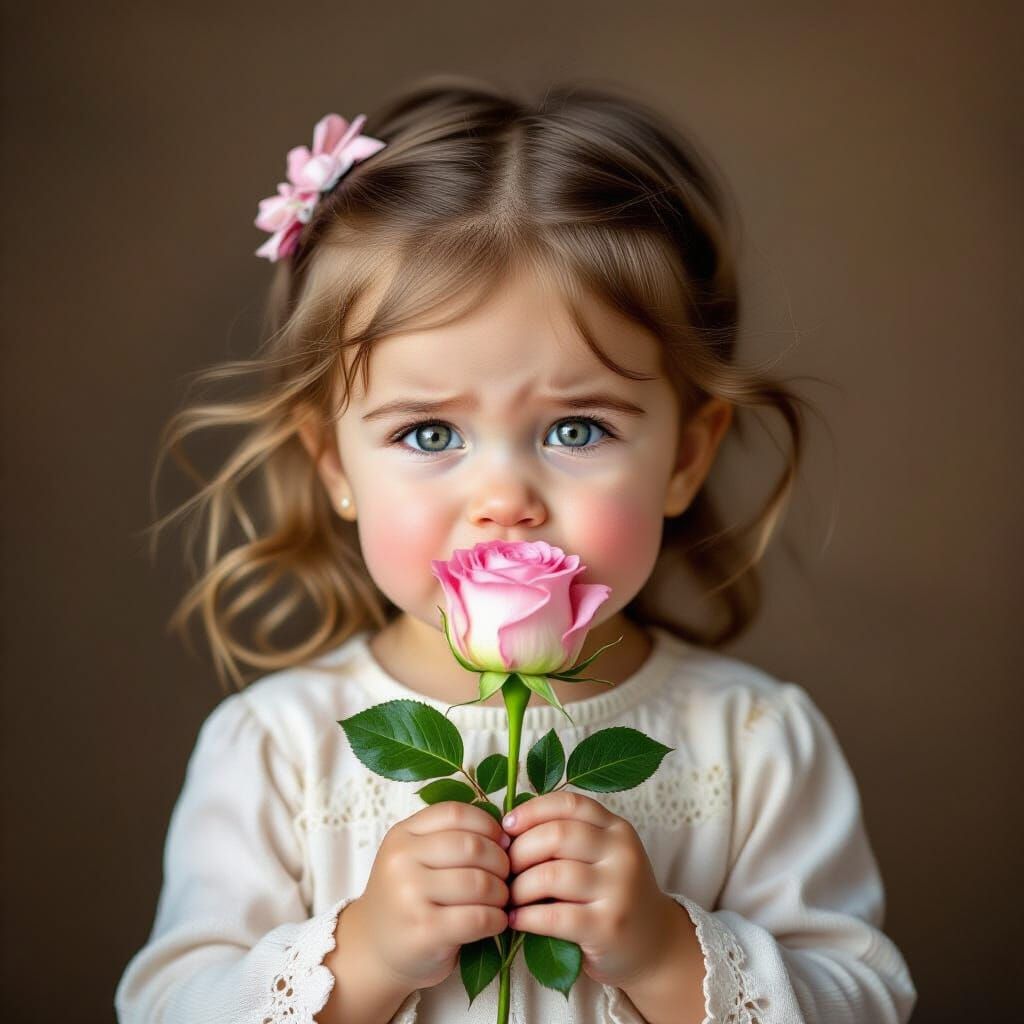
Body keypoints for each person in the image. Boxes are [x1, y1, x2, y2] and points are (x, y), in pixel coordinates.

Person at [115, 74, 917, 1024]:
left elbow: (864, 1001)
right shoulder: (279, 751)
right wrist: (361, 955)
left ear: (684, 458)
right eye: (428, 434)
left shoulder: (752, 744)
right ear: (334, 460)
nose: (504, 500)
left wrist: (666, 952)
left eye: (576, 430)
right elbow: (170, 1005)